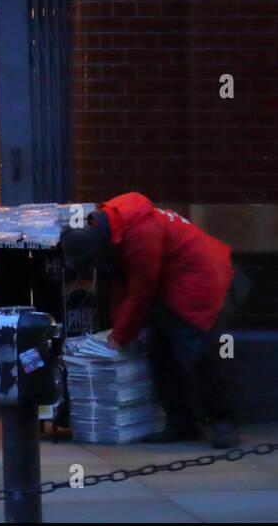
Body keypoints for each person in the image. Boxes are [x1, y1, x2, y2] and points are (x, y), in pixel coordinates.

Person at [60, 192, 241, 449]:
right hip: (174, 281)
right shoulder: (111, 225)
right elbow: (123, 283)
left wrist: (121, 336)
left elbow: (140, 290)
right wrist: (118, 328)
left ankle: (224, 422)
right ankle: (182, 423)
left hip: (201, 280)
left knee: (198, 354)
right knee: (161, 354)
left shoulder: (140, 236)